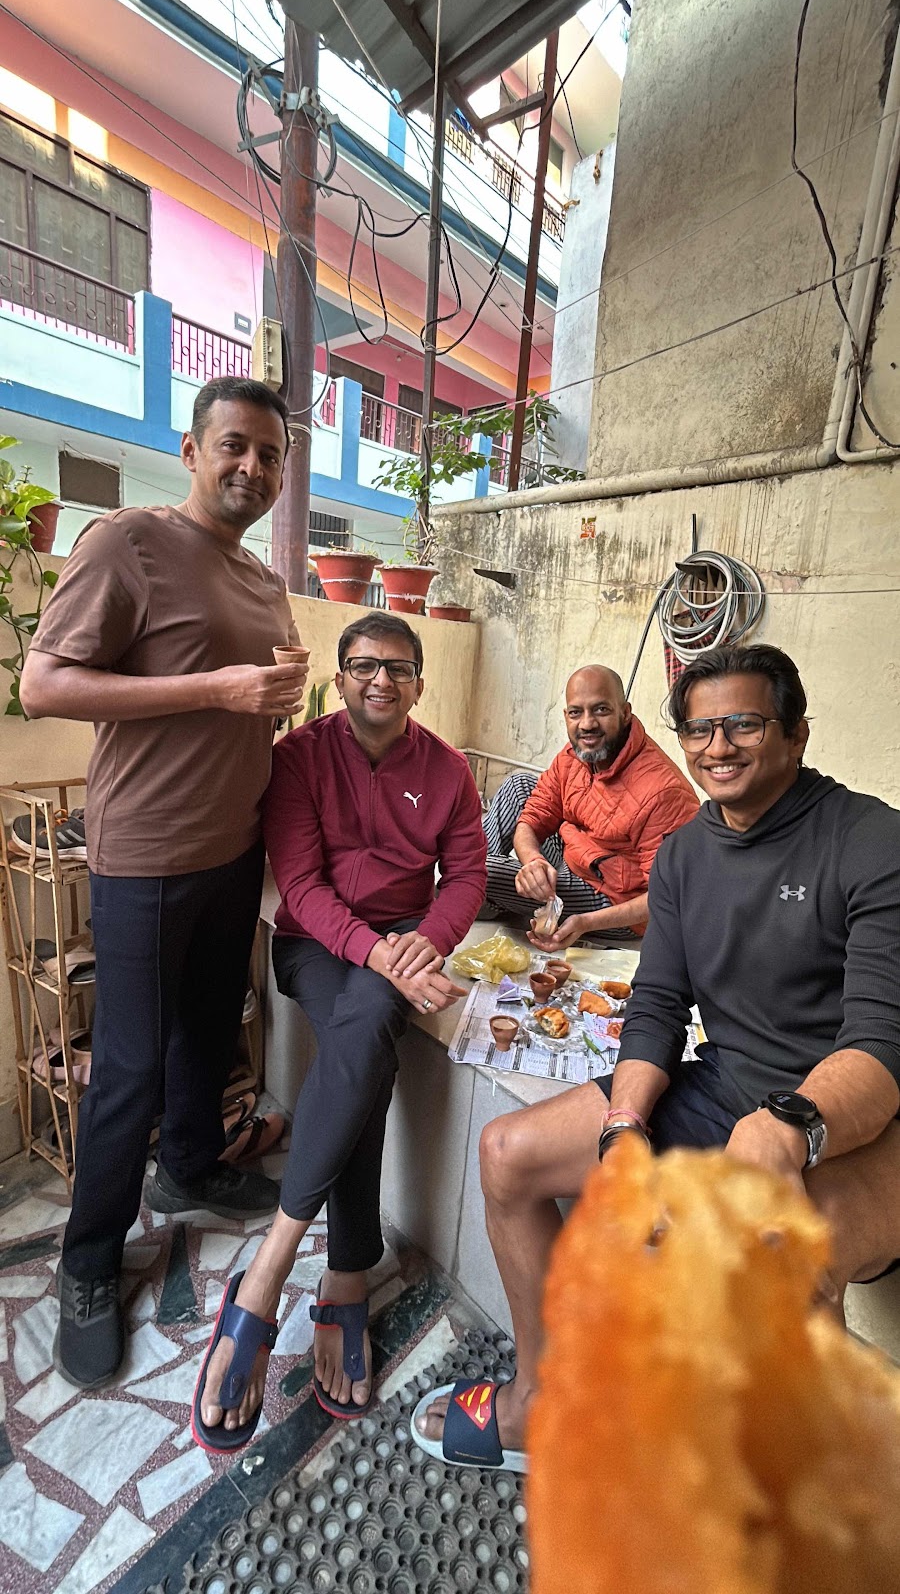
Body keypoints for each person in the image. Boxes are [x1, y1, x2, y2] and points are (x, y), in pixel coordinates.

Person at [413, 643, 900, 1472]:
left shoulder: (869, 840)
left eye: (744, 724)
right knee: (507, 1154)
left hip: (860, 1125)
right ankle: (539, 1403)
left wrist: (787, 1127)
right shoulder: (686, 857)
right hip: (727, 1090)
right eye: (700, 729)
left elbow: (880, 1046)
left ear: (796, 734)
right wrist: (624, 1126)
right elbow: (659, 1006)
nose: (718, 746)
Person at [20, 376, 308, 1390]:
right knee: (129, 1067)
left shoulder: (263, 579)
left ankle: (190, 1167)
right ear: (191, 451)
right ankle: (89, 1263)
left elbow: (252, 708)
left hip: (232, 851)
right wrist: (217, 689)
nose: (253, 468)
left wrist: (268, 707)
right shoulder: (128, 541)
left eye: (271, 455)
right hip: (143, 852)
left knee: (209, 1030)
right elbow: (43, 683)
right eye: (235, 446)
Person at [192, 611, 487, 1453]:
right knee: (367, 1025)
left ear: (419, 684)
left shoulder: (448, 770)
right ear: (340, 676)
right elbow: (302, 885)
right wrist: (380, 957)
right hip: (316, 946)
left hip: (400, 942)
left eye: (398, 668)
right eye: (363, 666)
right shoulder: (298, 758)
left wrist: (428, 940)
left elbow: (467, 872)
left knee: (363, 1042)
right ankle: (344, 1271)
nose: (379, 680)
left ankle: (269, 1271)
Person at [482, 665, 698, 946]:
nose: (587, 724)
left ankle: (479, 892)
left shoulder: (662, 792)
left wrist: (586, 923)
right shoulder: (574, 755)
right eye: (576, 712)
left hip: (614, 900)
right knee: (518, 785)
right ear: (566, 716)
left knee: (480, 870)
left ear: (625, 713)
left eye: (601, 710)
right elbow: (532, 817)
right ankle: (476, 895)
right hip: (577, 858)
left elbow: (667, 896)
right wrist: (533, 861)